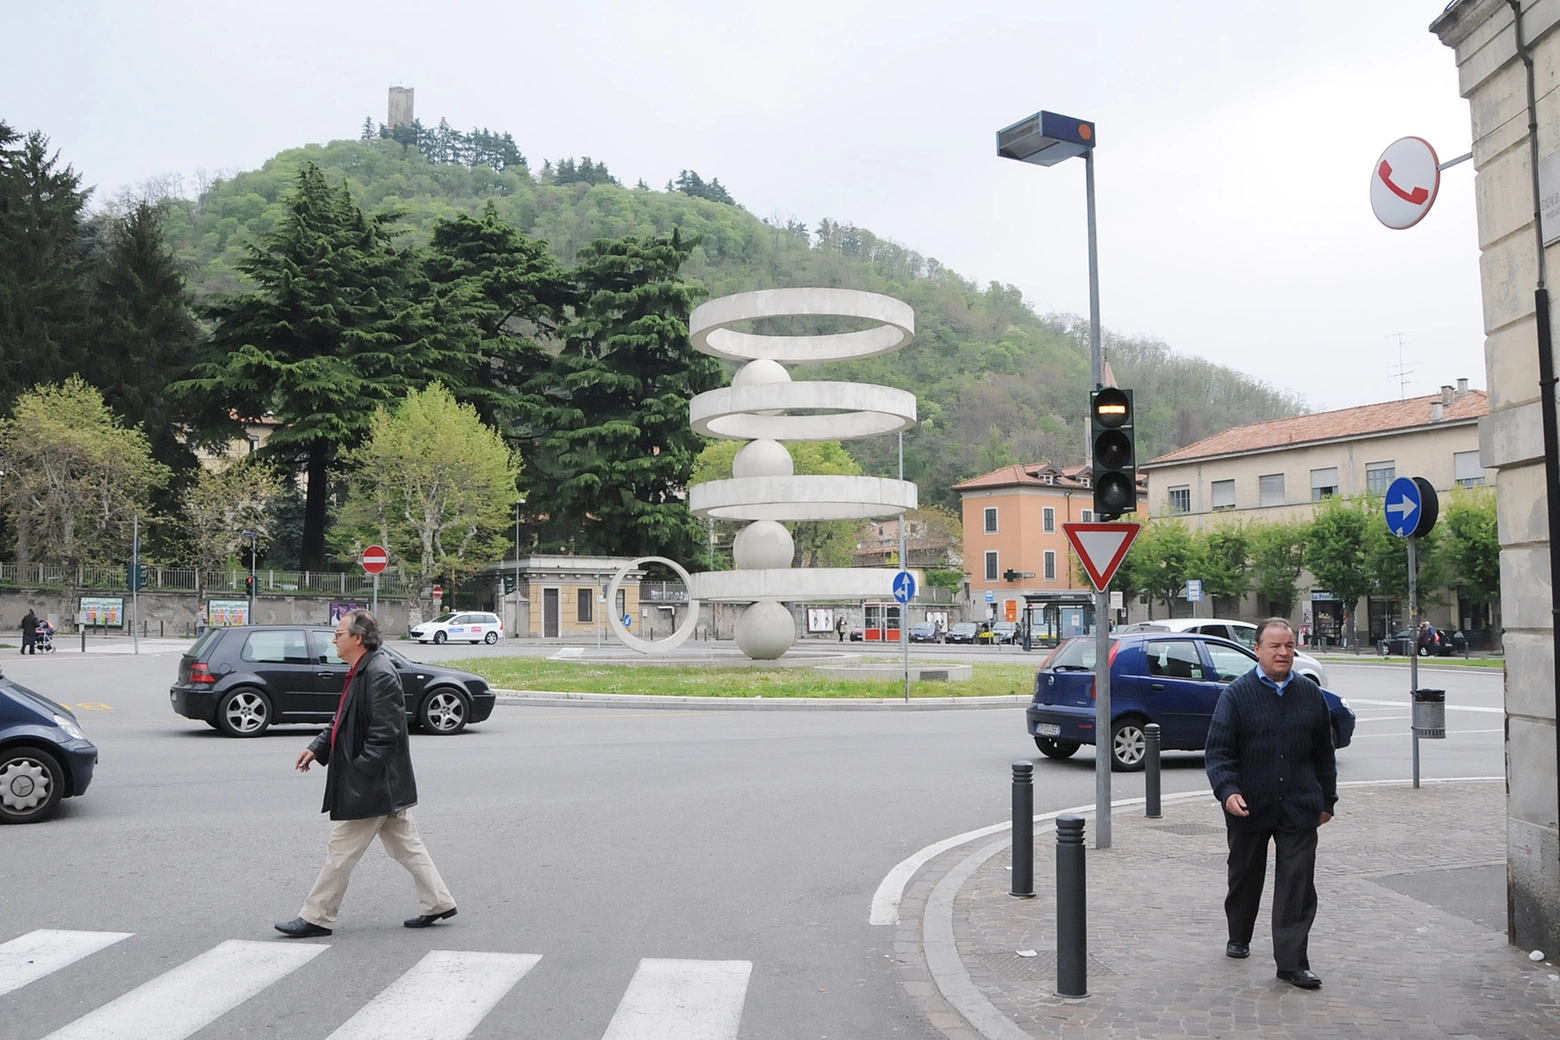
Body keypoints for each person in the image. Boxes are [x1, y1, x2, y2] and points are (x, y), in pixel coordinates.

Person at [275, 609, 457, 938]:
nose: (334, 639)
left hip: (374, 783)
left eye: (339, 634)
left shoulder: (379, 673)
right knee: (406, 845)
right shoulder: (362, 670)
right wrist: (318, 748)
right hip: (382, 782)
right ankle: (439, 902)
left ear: (357, 639)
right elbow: (342, 718)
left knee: (340, 850)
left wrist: (359, 774)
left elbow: (386, 735)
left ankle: (317, 916)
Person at [1205, 617, 1336, 990]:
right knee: (1245, 875)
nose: (1283, 653)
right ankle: (1239, 934)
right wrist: (1228, 790)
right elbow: (1218, 753)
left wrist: (1327, 799)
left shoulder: (1310, 696)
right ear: (1258, 650)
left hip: (1298, 805)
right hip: (1249, 805)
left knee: (1298, 884)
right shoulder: (1236, 695)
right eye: (1275, 646)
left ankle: (1292, 963)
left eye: (1289, 646)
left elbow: (1324, 753)